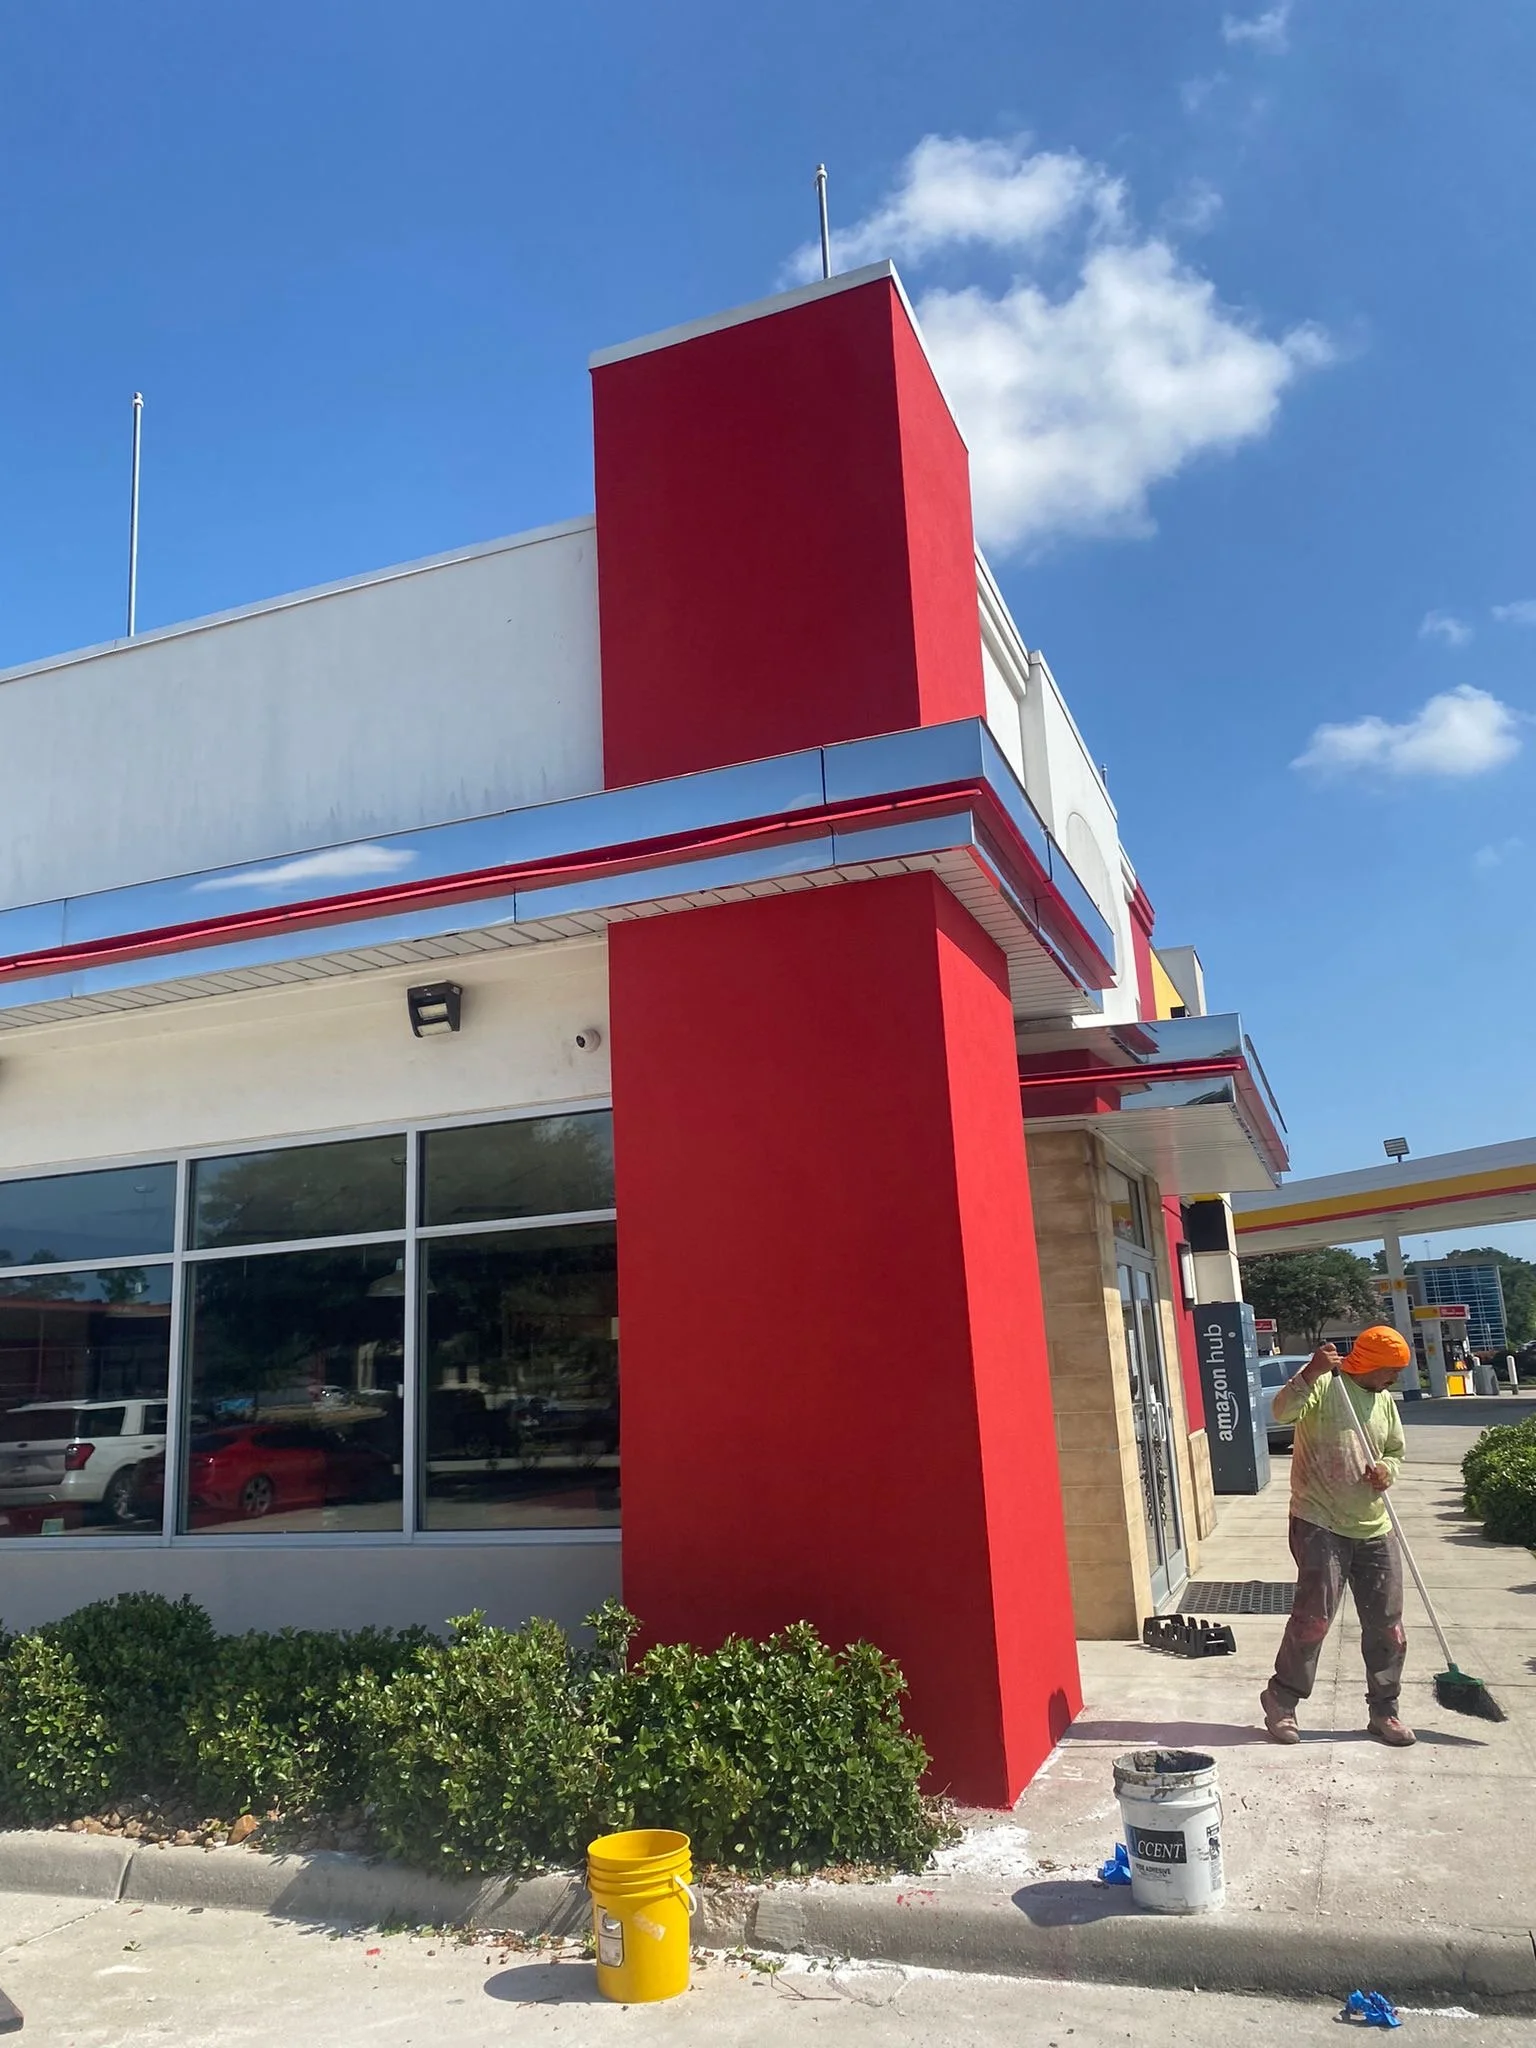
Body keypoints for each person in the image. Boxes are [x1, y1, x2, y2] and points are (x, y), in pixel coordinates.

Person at [1259, 1324, 1414, 1748]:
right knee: (1314, 1619)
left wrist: (1388, 1471)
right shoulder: (1326, 1386)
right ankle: (1282, 1700)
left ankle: (1385, 1711)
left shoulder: (1384, 1402)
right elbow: (1281, 1412)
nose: (1393, 1380)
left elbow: (1396, 1451)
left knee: (1387, 1625)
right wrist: (1309, 1372)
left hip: (1374, 1525)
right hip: (1319, 1519)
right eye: (1389, 1370)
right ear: (1368, 1363)